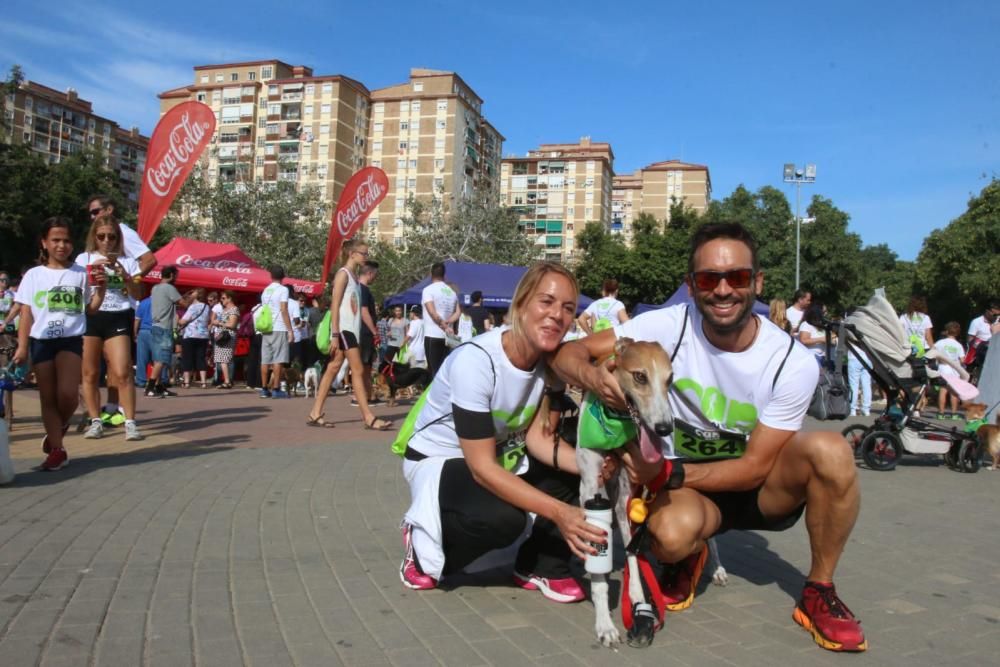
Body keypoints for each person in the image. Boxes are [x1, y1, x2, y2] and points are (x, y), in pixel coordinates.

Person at [552, 222, 867, 652]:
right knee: (667, 535)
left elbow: (754, 466)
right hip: (692, 491)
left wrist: (663, 471)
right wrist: (595, 378)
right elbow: (570, 352)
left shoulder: (792, 361)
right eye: (708, 279)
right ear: (691, 285)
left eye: (736, 277)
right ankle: (691, 553)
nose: (722, 290)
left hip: (758, 487)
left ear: (757, 282)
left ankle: (819, 589)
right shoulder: (667, 326)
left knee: (832, 451)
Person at [398, 261, 605, 602]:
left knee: (582, 468)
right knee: (501, 519)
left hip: (497, 456)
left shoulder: (546, 362)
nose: (557, 315)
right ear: (522, 304)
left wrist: (597, 466)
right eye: (547, 301)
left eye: (568, 308)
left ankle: (540, 565)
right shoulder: (477, 361)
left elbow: (539, 440)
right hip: (440, 459)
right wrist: (560, 513)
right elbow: (481, 469)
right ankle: (423, 543)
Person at [13, 217, 107, 471]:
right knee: (47, 397)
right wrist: (22, 348)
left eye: (66, 240)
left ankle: (61, 425)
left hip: (70, 340)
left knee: (67, 394)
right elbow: (26, 314)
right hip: (41, 341)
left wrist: (101, 290)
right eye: (55, 240)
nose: (61, 245)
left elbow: (91, 309)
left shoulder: (79, 273)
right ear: (44, 243)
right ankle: (57, 449)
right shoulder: (33, 275)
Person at [307, 239, 392, 430]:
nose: (366, 256)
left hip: (350, 330)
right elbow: (335, 305)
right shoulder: (343, 275)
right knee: (359, 370)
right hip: (344, 331)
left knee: (333, 368)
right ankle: (368, 417)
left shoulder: (353, 277)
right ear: (352, 254)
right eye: (364, 253)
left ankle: (315, 412)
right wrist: (335, 334)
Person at [75, 215, 144, 441]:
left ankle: (130, 422)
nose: (106, 241)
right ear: (94, 237)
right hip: (92, 317)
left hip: (118, 316)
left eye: (112, 237)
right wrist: (92, 271)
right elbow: (77, 289)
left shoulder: (129, 261)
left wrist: (123, 273)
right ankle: (96, 421)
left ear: (118, 238)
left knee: (122, 370)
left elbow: (138, 294)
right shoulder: (83, 258)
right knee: (90, 372)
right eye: (101, 236)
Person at [146, 266, 191, 398]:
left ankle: (159, 387)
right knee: (161, 359)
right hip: (165, 327)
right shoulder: (170, 288)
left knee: (158, 358)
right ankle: (150, 387)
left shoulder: (155, 288)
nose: (177, 278)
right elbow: (184, 304)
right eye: (176, 275)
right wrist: (191, 297)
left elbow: (168, 302)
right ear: (171, 275)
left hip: (155, 325)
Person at [259, 266, 293, 399]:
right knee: (278, 359)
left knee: (265, 359)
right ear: (283, 276)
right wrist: (290, 329)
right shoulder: (283, 290)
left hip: (266, 326)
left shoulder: (265, 290)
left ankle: (264, 388)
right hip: (279, 326)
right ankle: (276, 388)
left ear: (271, 276)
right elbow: (284, 309)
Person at [421, 262, 460, 378]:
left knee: (434, 372)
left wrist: (443, 325)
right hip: (449, 338)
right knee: (446, 371)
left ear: (430, 274)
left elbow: (432, 312)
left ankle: (435, 396)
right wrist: (448, 323)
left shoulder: (428, 290)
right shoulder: (452, 292)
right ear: (444, 275)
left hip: (433, 335)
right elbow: (458, 312)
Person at [355, 261, 382, 407]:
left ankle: (369, 395)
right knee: (363, 365)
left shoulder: (358, 288)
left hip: (362, 331)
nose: (375, 278)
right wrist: (374, 331)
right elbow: (364, 311)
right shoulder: (363, 289)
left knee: (366, 366)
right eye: (375, 275)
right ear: (370, 273)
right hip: (365, 332)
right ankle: (359, 396)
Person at [178, 288, 211, 388]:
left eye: (192, 293)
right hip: (203, 335)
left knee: (187, 357)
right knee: (201, 357)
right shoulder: (207, 306)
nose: (190, 295)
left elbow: (183, 322)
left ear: (196, 295)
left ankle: (187, 382)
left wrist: (177, 319)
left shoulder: (192, 307)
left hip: (190, 335)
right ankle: (203, 382)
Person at [933, 322, 966, 419]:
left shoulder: (940, 342)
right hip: (954, 370)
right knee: (953, 392)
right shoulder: (958, 345)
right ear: (958, 333)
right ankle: (954, 414)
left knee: (943, 391)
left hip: (943, 368)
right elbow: (962, 360)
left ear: (946, 331)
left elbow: (933, 352)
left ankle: (941, 413)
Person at [212, 291, 240, 389]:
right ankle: (226, 380)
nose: (221, 300)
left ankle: (227, 381)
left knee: (225, 359)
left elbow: (232, 324)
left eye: (224, 298)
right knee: (222, 360)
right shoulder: (225, 309)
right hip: (221, 337)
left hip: (227, 336)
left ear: (230, 298)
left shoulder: (234, 310)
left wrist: (219, 323)